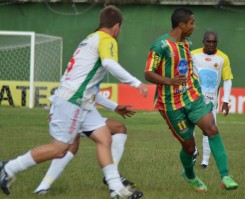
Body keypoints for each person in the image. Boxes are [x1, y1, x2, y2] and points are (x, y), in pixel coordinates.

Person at [0, 5, 147, 199]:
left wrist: (113, 106)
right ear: (117, 26)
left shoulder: (89, 39)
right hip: (73, 102)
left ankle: (116, 189)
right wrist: (136, 83)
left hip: (79, 101)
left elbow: (88, 84)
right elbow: (109, 64)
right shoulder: (107, 39)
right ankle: (8, 168)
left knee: (104, 137)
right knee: (59, 149)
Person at [144, 8, 238, 192]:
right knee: (189, 147)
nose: (194, 26)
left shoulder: (186, 44)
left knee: (212, 128)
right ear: (182, 24)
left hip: (192, 97)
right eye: (192, 23)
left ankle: (225, 176)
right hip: (171, 104)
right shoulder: (161, 45)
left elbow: (187, 70)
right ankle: (189, 174)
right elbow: (148, 73)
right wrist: (169, 81)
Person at [34, 94, 138, 194]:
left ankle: (112, 176)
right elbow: (64, 90)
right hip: (67, 112)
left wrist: (115, 107)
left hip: (84, 115)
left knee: (119, 128)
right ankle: (42, 187)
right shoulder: (80, 77)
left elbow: (94, 93)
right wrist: (54, 111)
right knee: (69, 148)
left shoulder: (92, 78)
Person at [191, 31, 233, 169]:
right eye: (208, 42)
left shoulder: (223, 58)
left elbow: (227, 80)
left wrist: (225, 101)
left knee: (208, 131)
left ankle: (205, 162)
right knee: (188, 128)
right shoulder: (193, 55)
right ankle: (193, 152)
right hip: (193, 99)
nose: (211, 44)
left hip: (211, 102)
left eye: (214, 42)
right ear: (203, 41)